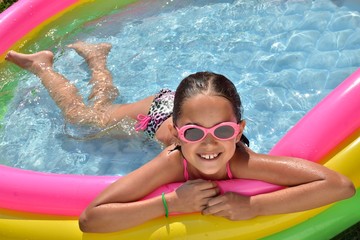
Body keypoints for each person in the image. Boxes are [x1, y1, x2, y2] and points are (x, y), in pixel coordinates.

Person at [7, 46, 355, 233]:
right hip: (159, 110)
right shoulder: (173, 162)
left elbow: (340, 186)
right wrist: (170, 205)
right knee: (83, 120)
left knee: (100, 111)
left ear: (238, 129)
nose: (208, 146)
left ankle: (98, 57)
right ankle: (44, 66)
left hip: (189, 106)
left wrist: (255, 206)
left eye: (222, 132)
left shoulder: (242, 162)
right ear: (178, 133)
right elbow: (91, 220)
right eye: (193, 135)